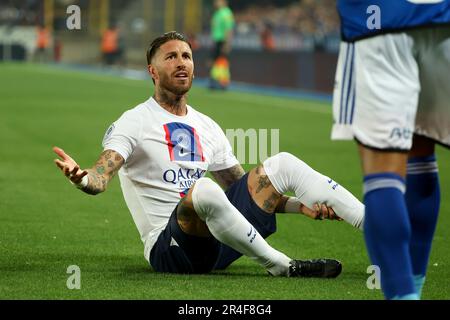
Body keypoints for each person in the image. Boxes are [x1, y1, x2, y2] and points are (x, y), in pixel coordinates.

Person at [54, 31, 364, 277]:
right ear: (153, 70)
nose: (181, 62)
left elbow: (242, 190)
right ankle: (282, 265)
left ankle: (377, 227)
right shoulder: (135, 120)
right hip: (171, 250)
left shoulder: (207, 126)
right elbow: (101, 175)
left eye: (186, 56)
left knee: (281, 164)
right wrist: (82, 179)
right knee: (201, 189)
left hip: (220, 241)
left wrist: (299, 208)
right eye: (171, 57)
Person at [331, 0, 450, 299]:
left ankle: (405, 295)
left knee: (383, 171)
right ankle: (415, 290)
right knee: (421, 152)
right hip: (444, 21)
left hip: (379, 20)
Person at [209, 0, 234, 90]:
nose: (215, 2)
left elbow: (229, 28)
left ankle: (223, 83)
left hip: (222, 40)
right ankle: (214, 81)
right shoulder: (217, 14)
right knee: (214, 62)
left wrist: (228, 43)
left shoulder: (226, 13)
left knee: (222, 62)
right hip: (216, 40)